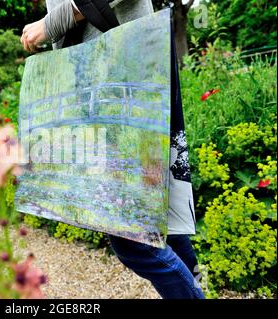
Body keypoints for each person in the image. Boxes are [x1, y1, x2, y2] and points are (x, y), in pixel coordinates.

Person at [20, 0, 205, 299]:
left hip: (121, 68)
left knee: (132, 235)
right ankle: (195, 288)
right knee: (165, 211)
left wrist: (51, 24)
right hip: (128, 63)